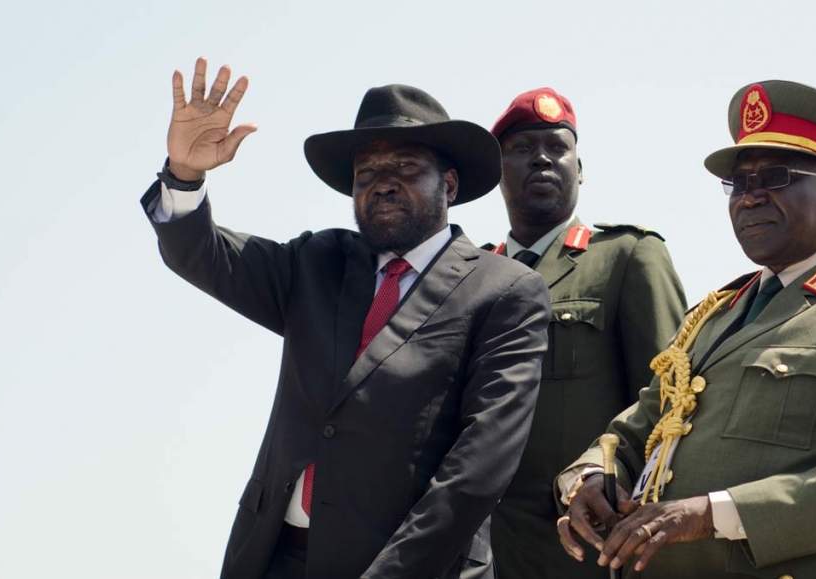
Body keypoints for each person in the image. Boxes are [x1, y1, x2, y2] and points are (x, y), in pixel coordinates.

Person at [140, 57, 551, 579]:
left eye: (404, 167)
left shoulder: (506, 290)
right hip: (274, 556)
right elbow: (202, 252)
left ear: (448, 185)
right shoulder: (317, 262)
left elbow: (478, 467)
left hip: (410, 567)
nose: (382, 183)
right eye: (367, 172)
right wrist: (185, 173)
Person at [555, 80, 816, 579]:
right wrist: (593, 474)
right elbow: (640, 429)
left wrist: (713, 514)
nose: (749, 198)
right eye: (739, 184)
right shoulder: (715, 314)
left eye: (776, 176)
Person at [484, 88, 687, 579]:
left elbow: (671, 403)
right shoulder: (470, 277)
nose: (542, 160)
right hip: (482, 552)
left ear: (580, 169)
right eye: (523, 148)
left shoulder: (626, 256)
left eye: (558, 148)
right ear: (498, 172)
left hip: (588, 551)